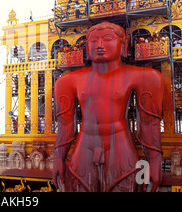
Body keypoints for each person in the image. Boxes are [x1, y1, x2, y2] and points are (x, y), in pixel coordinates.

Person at [53, 21, 164, 192]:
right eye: (93, 41)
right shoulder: (67, 82)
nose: (99, 45)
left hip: (119, 144)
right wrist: (58, 158)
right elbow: (66, 124)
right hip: (84, 145)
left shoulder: (144, 77)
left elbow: (148, 124)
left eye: (107, 39)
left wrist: (155, 161)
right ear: (86, 46)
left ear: (124, 44)